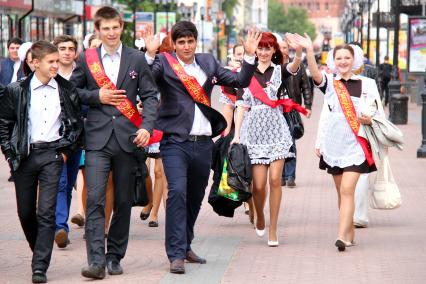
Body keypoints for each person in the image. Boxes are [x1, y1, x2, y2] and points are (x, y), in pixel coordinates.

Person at [142, 21, 261, 274]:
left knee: (195, 198)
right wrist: (150, 54)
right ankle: (174, 254)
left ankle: (185, 245)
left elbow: (240, 80)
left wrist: (250, 55)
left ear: (196, 42)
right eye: (181, 42)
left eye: (190, 41)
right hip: (175, 141)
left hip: (203, 143)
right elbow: (147, 80)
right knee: (177, 193)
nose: (186, 46)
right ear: (174, 44)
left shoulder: (207, 63)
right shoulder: (163, 63)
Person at [71, 6, 159, 279]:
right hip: (97, 139)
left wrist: (146, 127)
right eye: (105, 28)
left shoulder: (136, 59)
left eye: (115, 27)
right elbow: (73, 92)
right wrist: (97, 96)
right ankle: (95, 261)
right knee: (95, 199)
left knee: (123, 201)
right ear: (97, 31)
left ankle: (115, 255)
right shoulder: (87, 60)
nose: (111, 33)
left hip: (127, 138)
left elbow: (151, 96)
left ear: (122, 28)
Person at [0, 40, 83, 283]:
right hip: (25, 157)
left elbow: (76, 126)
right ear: (34, 63)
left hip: (53, 156)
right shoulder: (16, 90)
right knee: (25, 212)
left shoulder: (66, 90)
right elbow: (5, 125)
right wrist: (10, 154)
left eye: (58, 61)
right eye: (51, 62)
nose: (56, 65)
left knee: (46, 212)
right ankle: (39, 249)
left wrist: (64, 152)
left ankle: (40, 266)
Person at [295, 33, 382, 251]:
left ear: (355, 60)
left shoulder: (367, 84)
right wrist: (308, 50)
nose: (343, 62)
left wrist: (369, 119)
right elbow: (315, 75)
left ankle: (342, 236)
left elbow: (379, 114)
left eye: (347, 58)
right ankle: (350, 233)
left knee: (347, 190)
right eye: (339, 58)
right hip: (334, 145)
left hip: (357, 144)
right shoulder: (331, 85)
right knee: (341, 193)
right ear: (334, 62)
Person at [232, 32, 307, 247]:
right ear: (255, 50)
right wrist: (237, 135)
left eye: (268, 48)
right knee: (258, 185)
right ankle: (260, 216)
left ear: (274, 50)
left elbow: (295, 65)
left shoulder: (279, 70)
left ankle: (273, 228)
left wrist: (299, 49)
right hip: (253, 131)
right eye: (260, 48)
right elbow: (241, 106)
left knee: (275, 179)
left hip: (276, 130)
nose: (264, 52)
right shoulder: (245, 73)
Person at [52, 35, 83, 248]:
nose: (66, 52)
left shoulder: (81, 74)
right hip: (54, 139)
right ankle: (60, 226)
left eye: (71, 48)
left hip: (78, 138)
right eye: (62, 48)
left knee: (70, 182)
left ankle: (62, 226)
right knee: (60, 183)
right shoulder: (48, 74)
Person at [278, 38, 312, 188]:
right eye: (279, 47)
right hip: (275, 111)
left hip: (292, 110)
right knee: (278, 144)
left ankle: (290, 175)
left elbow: (305, 85)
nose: (282, 50)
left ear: (288, 49)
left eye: (285, 47)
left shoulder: (297, 66)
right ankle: (280, 175)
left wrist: (308, 105)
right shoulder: (273, 67)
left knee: (290, 142)